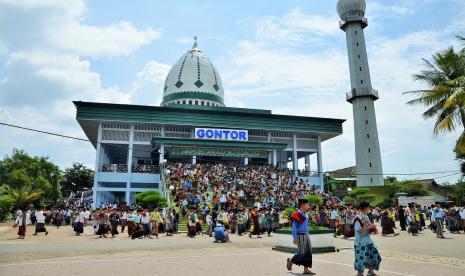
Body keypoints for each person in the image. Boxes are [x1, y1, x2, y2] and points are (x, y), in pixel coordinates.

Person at [353, 201, 381, 276]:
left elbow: (366, 229)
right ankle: (360, 273)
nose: (370, 209)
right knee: (361, 260)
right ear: (366, 208)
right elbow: (358, 230)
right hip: (360, 243)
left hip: (368, 241)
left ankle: (370, 271)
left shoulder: (366, 216)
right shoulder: (358, 218)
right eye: (369, 208)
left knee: (374, 256)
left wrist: (373, 230)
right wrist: (370, 227)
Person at [286, 198, 314, 275]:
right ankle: (291, 261)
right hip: (300, 235)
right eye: (307, 205)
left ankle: (306, 269)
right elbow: (294, 227)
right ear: (302, 205)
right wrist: (294, 237)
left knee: (308, 252)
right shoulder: (296, 214)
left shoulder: (306, 214)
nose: (308, 206)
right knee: (301, 252)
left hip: (306, 235)